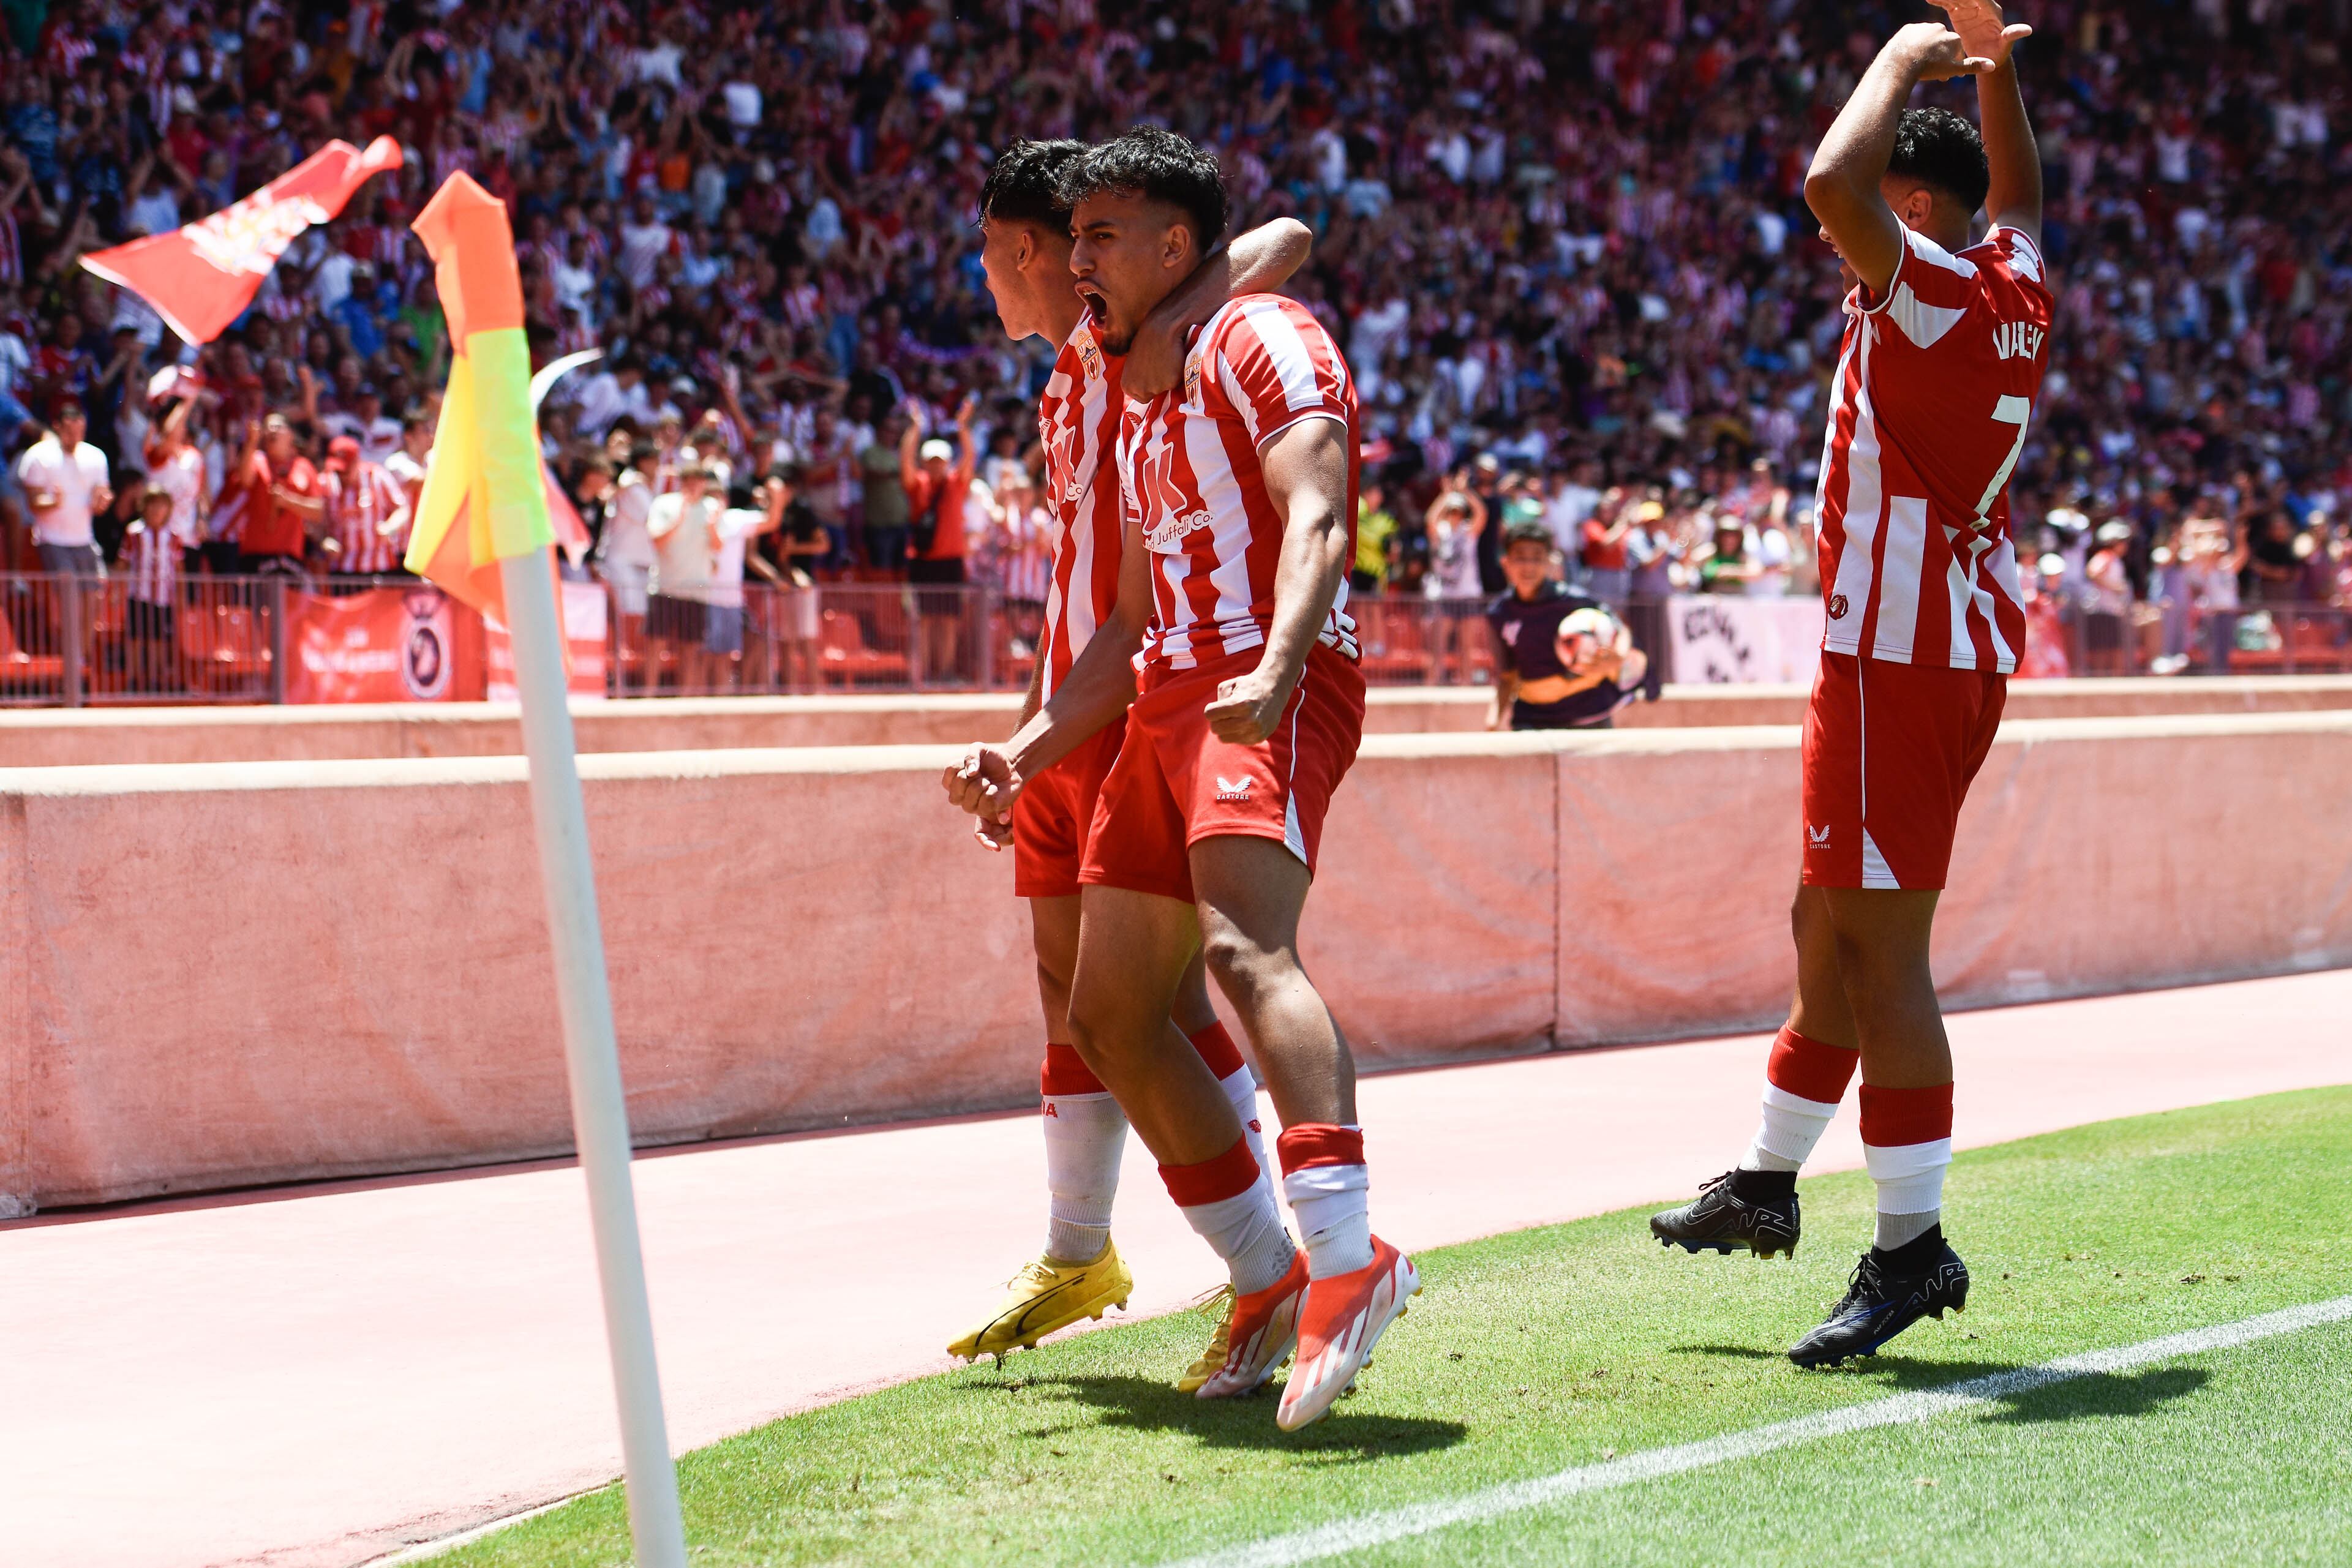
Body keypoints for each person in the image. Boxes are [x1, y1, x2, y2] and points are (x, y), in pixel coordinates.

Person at [947, 128, 1411, 1432]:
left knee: (1240, 952)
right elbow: (1125, 615)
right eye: (1072, 237)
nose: (1078, 259)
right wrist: (1025, 747)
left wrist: (1278, 659)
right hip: (1153, 691)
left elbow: (1317, 505)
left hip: (1257, 674)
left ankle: (1345, 1251)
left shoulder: (1254, 337)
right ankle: (1265, 1271)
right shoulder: (1123, 392)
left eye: (1099, 236)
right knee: (1105, 1010)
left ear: (1169, 246)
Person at [1649, 1, 2051, 1370]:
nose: (1841, 246)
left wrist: (1905, 54)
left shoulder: (1930, 287)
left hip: (1894, 653)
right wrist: (1997, 73)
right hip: (1944, 644)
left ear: (1915, 210)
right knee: (1822, 925)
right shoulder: (2013, 276)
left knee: (1882, 955)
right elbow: (2022, 194)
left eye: (1880, 218)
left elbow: (1830, 183)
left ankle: (1910, 1247)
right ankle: (1768, 1179)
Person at [1486, 519, 1647, 730]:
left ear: (1549, 561)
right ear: (1506, 562)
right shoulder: (1500, 613)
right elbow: (1508, 675)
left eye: (1537, 558)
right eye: (1521, 557)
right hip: (1532, 718)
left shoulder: (1574, 600)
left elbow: (1619, 627)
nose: (1529, 566)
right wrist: (1493, 720)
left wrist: (1619, 654)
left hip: (1589, 715)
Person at [898, 397, 977, 683]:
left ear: (947, 463)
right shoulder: (917, 485)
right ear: (924, 463)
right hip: (923, 562)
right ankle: (922, 676)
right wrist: (915, 429)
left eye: (940, 461)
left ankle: (944, 673)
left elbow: (970, 458)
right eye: (931, 461)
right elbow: (905, 461)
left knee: (948, 621)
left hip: (951, 561)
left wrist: (962, 428)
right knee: (923, 621)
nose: (936, 466)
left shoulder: (957, 484)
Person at [644, 460, 720, 689]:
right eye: (689, 480)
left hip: (697, 591)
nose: (694, 485)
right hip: (664, 587)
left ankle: (685, 700)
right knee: (656, 644)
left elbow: (718, 547)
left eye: (699, 481)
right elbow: (657, 541)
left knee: (691, 647)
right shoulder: (664, 503)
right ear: (682, 482)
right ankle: (647, 696)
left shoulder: (713, 507)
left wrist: (712, 527)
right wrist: (679, 519)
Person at [598, 441, 661, 691]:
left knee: (635, 624)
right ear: (643, 462)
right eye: (653, 461)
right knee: (626, 623)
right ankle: (621, 684)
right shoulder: (633, 485)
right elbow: (655, 522)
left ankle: (629, 684)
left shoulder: (641, 485)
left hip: (638, 566)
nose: (657, 466)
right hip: (620, 563)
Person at [320, 436, 411, 583]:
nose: (342, 476)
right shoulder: (326, 482)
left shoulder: (377, 477)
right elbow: (318, 522)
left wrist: (390, 527)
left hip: (380, 565)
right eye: (337, 472)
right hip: (343, 570)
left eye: (346, 471)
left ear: (357, 461)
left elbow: (402, 509)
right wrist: (325, 540)